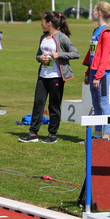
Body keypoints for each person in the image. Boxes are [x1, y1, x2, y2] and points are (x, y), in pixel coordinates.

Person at [19, 11, 79, 143]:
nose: (41, 24)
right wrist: (40, 58)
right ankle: (33, 133)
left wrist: (59, 55)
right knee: (38, 103)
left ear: (49, 23)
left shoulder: (62, 37)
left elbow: (75, 53)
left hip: (56, 77)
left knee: (54, 106)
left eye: (42, 21)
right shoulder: (43, 37)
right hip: (43, 76)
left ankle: (52, 134)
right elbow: (37, 55)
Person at [82, 2, 110, 141]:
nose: (92, 13)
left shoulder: (106, 33)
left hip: (102, 74)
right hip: (93, 72)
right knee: (96, 104)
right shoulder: (96, 31)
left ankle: (106, 136)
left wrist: (98, 76)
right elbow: (93, 55)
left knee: (103, 103)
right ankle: (97, 135)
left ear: (100, 13)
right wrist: (88, 73)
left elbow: (104, 57)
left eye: (94, 10)